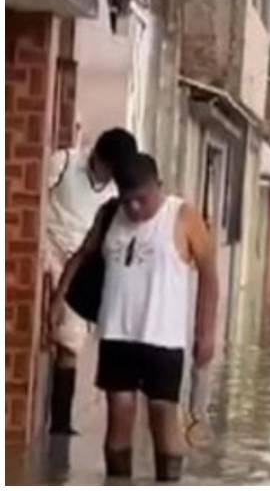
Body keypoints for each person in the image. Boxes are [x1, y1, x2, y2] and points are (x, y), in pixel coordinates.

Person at [50, 153, 219, 482]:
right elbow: (82, 255)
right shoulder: (110, 214)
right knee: (119, 418)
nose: (136, 208)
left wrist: (206, 332)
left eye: (142, 199)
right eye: (128, 200)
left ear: (159, 187)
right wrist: (59, 298)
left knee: (162, 417)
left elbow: (209, 274)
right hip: (116, 336)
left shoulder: (182, 216)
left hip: (163, 340)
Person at [46, 127, 138, 435]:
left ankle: (60, 422)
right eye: (107, 168)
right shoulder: (64, 163)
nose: (109, 175)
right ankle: (58, 423)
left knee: (71, 341)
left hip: (79, 263)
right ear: (97, 157)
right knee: (61, 334)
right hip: (48, 251)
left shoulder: (115, 195)